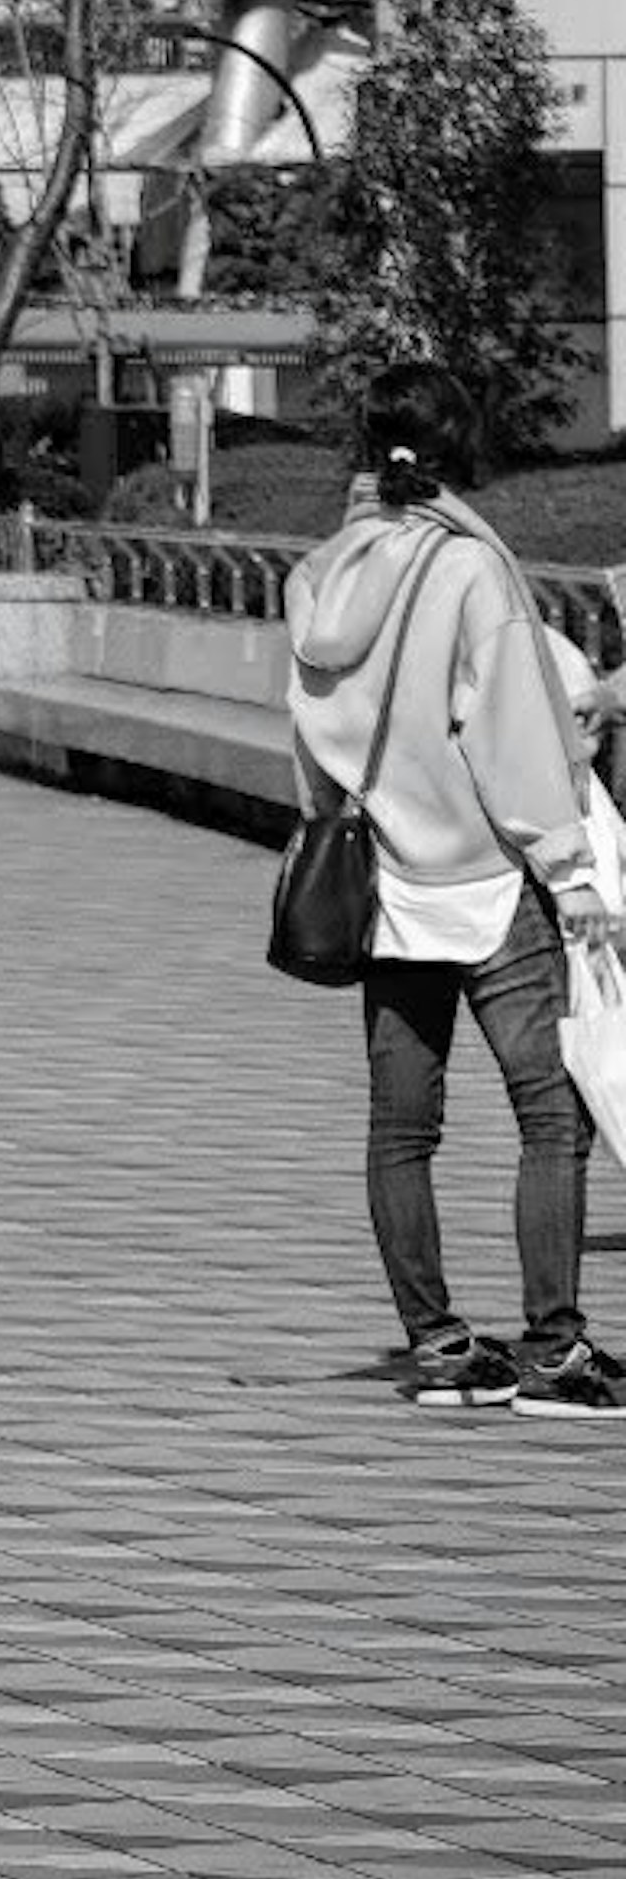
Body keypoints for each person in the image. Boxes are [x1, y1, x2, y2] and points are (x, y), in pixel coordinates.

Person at [283, 362, 626, 1417]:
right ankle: (555, 1354)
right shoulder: (474, 573)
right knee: (549, 1117)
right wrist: (570, 874)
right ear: (459, 449)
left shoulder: (321, 576)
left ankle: (437, 1350)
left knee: (401, 1129)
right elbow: (514, 737)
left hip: (381, 881)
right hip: (483, 876)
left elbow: (311, 732)